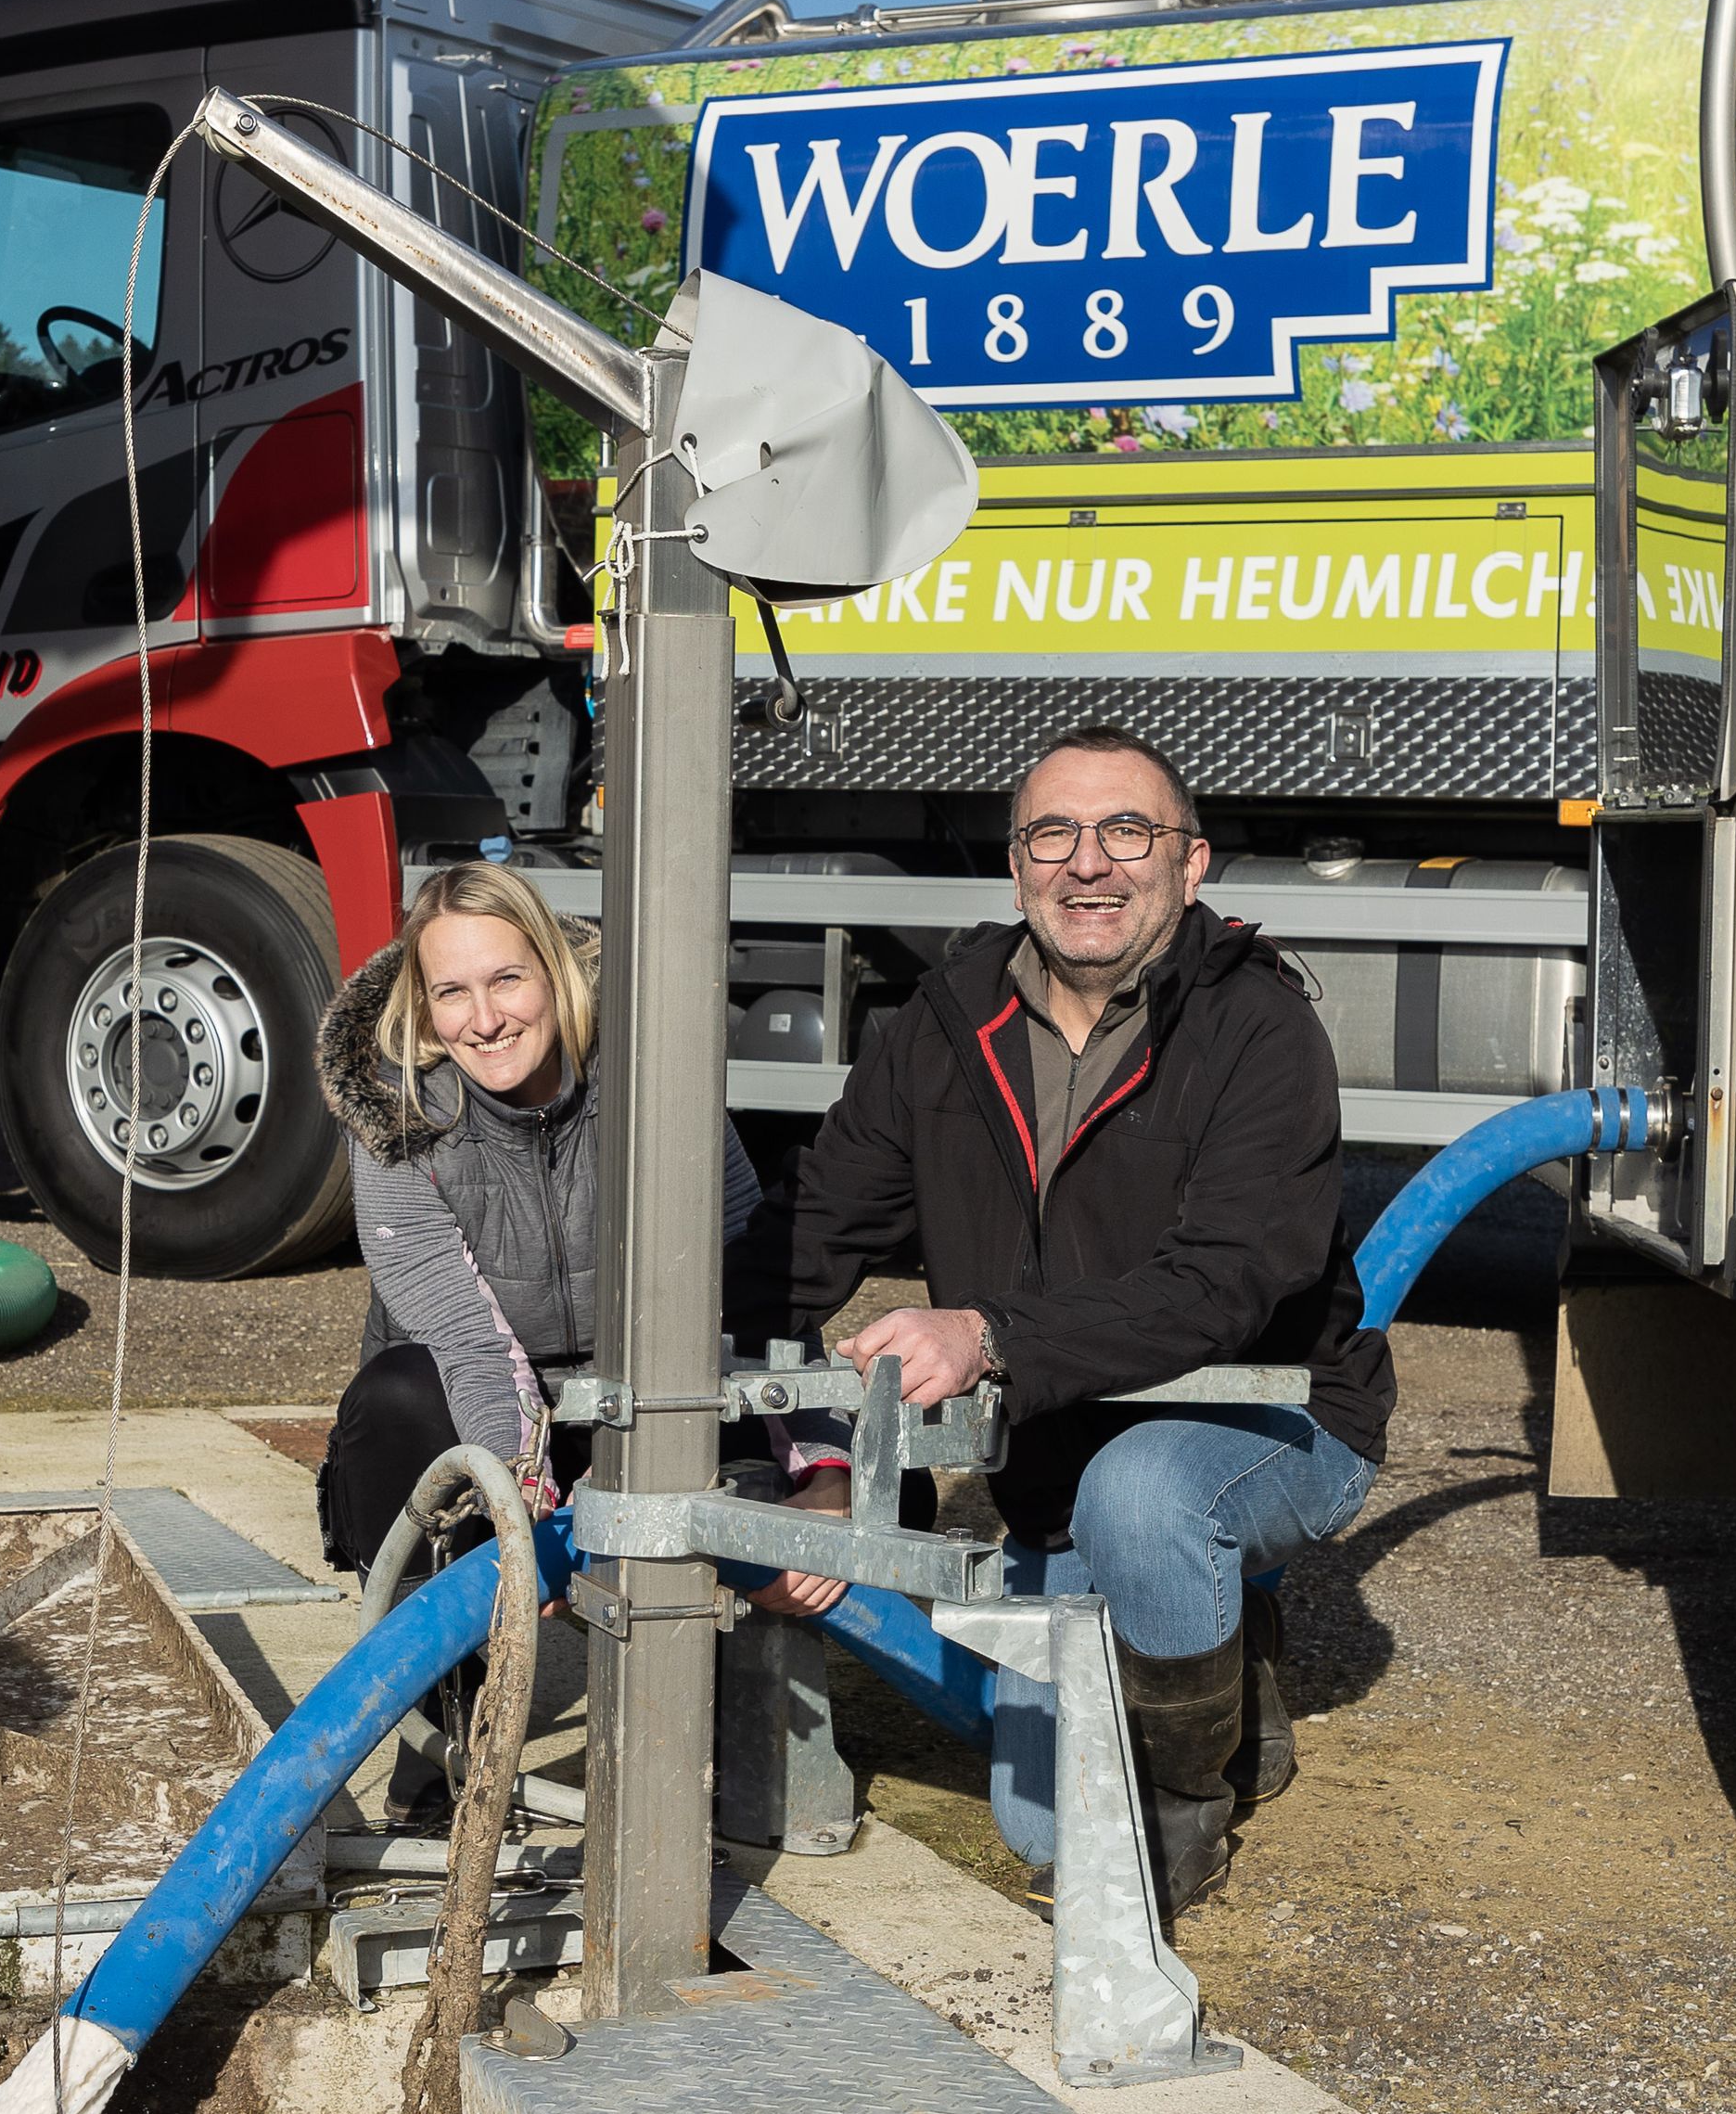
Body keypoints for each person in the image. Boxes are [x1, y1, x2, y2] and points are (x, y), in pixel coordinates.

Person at [783, 724, 1391, 1914]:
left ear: (1190, 862)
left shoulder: (1259, 1028)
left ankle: (1179, 1802)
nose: (1088, 862)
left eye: (1126, 831)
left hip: (1270, 1422)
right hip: (1056, 1455)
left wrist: (991, 1335)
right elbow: (818, 1220)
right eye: (1052, 833)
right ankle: (1228, 1656)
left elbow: (1227, 1282)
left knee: (1145, 1496)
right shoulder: (945, 1022)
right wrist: (668, 1350)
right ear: (1016, 865)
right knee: (1039, 1820)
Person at [313, 860, 834, 1823]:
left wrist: (824, 1467)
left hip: (631, 1390)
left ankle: (716, 1736)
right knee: (399, 1402)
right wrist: (528, 1515)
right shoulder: (395, 1119)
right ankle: (444, 1738)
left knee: (833, 1472)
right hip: (473, 1402)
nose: (485, 1019)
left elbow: (753, 1288)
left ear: (554, 974)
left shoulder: (650, 1085)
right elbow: (468, 1341)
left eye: (507, 979)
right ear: (423, 1009)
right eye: (452, 992)